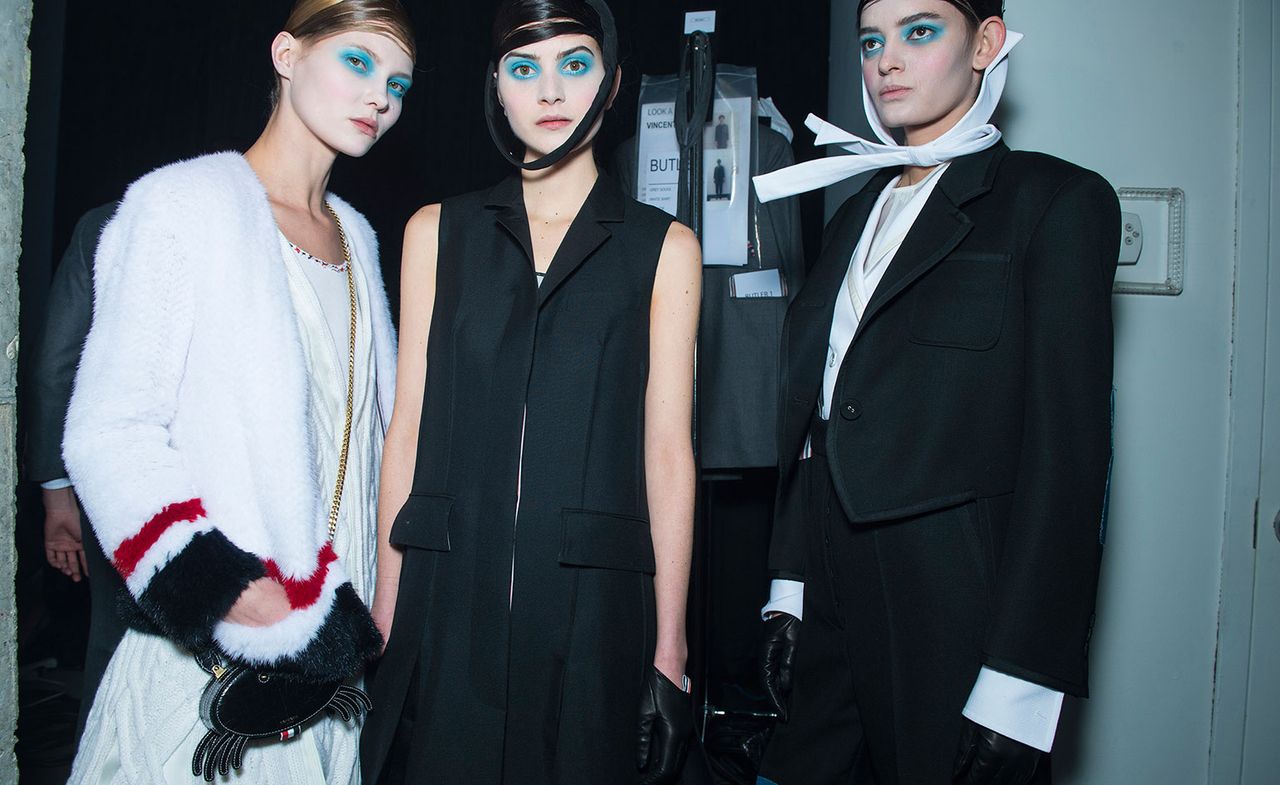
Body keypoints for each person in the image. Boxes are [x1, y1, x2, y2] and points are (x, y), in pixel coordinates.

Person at [750, 1, 1118, 783]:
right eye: (872, 41)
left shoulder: (1053, 202)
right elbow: (816, 419)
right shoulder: (850, 214)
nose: (887, 61)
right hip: (828, 598)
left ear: (985, 44)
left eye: (920, 32)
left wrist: (1023, 681)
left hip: (955, 608)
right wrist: (789, 587)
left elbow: (1069, 461)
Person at [61, 1, 415, 781]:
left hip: (331, 659)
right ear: (287, 54)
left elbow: (360, 438)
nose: (380, 97)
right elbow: (109, 430)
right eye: (358, 62)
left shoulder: (356, 234)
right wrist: (230, 594)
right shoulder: (183, 206)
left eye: (399, 83)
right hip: (215, 656)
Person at [359, 1, 702, 783]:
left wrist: (671, 647)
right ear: (497, 90)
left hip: (595, 611)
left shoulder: (665, 247)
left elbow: (668, 453)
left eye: (574, 65)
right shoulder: (434, 231)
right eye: (525, 69)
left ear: (611, 84)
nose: (550, 92)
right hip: (445, 598)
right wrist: (387, 605)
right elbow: (405, 425)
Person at [25, 201, 128, 740]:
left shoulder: (110, 222)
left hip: (122, 482)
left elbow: (53, 368)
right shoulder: (284, 223)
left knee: (115, 649)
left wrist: (56, 493)